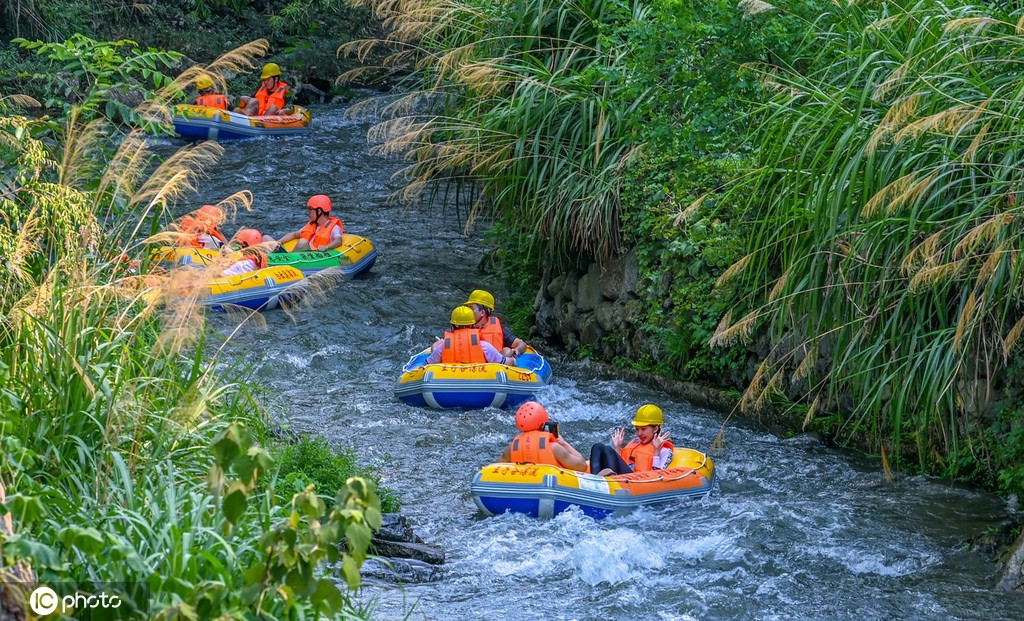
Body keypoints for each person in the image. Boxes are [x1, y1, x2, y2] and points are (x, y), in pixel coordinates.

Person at [588, 404, 674, 476]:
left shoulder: (665, 450)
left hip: (637, 481)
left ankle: (606, 481)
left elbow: (657, 475)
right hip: (621, 476)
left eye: (643, 429)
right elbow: (620, 463)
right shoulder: (635, 443)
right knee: (598, 446)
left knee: (608, 449)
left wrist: (656, 451)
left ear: (655, 429)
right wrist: (617, 447)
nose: (639, 433)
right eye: (637, 429)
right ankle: (594, 480)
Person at [500, 402, 588, 472]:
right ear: (543, 424)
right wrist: (564, 443)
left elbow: (494, 468)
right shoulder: (554, 448)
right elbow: (582, 466)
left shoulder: (511, 449)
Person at [425, 306, 517, 366]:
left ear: (453, 326)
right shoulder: (484, 346)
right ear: (473, 325)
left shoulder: (444, 346)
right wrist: (513, 361)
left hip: (449, 383)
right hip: (480, 382)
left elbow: (427, 364)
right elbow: (504, 362)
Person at [465, 289, 528, 357]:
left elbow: (521, 344)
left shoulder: (498, 328)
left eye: (471, 308)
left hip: (494, 365)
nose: (467, 311)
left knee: (507, 351)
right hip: (468, 364)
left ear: (482, 312)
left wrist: (517, 350)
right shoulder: (461, 325)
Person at [274, 195, 345, 251]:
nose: (308, 212)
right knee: (266, 238)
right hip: (298, 254)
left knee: (303, 242)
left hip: (313, 256)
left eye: (310, 209)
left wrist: (326, 247)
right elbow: (294, 234)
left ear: (319, 211)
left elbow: (338, 241)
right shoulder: (311, 225)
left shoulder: (334, 228)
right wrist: (277, 242)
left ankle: (287, 261)